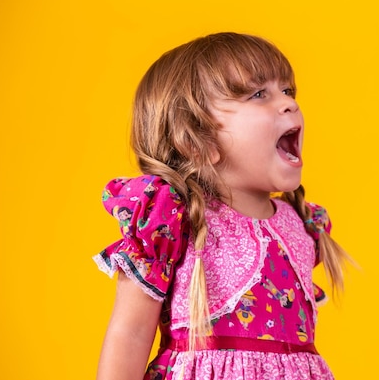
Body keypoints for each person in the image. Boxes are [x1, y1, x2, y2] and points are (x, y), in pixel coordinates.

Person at [93, 32, 351, 380]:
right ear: (197, 139)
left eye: (288, 90)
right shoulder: (171, 220)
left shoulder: (302, 226)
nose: (289, 103)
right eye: (259, 94)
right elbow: (131, 334)